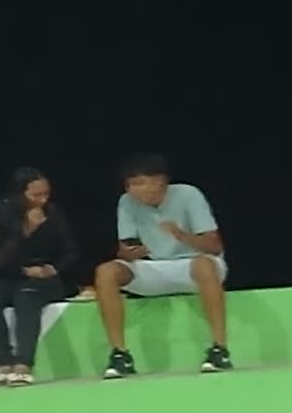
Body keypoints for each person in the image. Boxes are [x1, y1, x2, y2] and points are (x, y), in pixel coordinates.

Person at [93, 154, 232, 373]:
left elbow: (214, 246)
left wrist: (182, 236)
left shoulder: (188, 194)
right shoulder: (126, 201)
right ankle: (120, 354)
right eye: (130, 185)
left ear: (160, 181)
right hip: (156, 267)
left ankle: (219, 349)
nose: (133, 190)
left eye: (140, 183)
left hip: (195, 265)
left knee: (203, 265)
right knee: (106, 271)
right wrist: (130, 253)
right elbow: (124, 249)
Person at [0, 166, 89, 383]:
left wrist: (52, 268)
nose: (43, 200)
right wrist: (25, 231)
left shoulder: (52, 212)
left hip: (40, 277)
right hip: (5, 274)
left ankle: (24, 364)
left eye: (46, 194)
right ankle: (4, 364)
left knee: (27, 296)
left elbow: (71, 251)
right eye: (36, 195)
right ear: (19, 193)